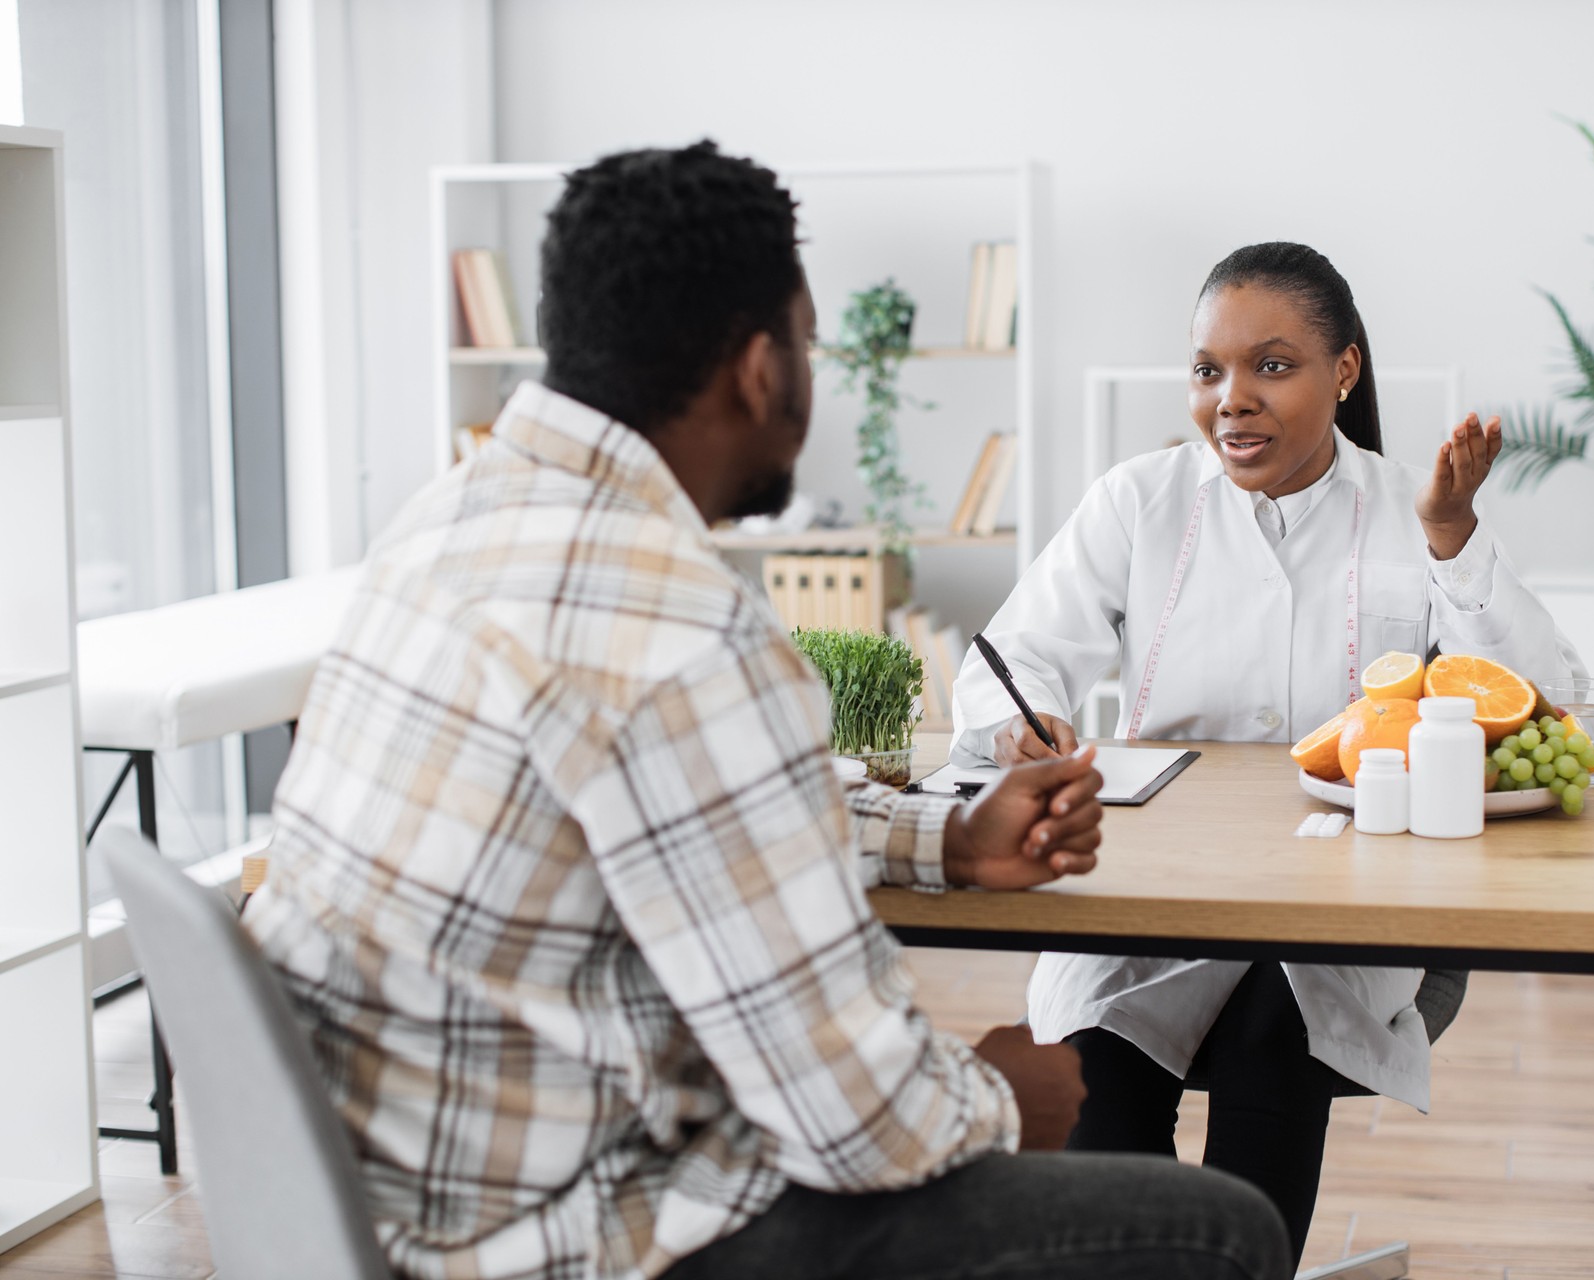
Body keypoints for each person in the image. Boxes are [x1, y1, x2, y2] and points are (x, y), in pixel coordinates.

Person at [242, 143, 1289, 1280]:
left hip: (385, 1203)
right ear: (758, 367)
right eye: (806, 340)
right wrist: (1011, 1093)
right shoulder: (681, 630)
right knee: (1214, 1228)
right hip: (562, 1236)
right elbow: (861, 1125)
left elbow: (688, 818)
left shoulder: (445, 521)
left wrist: (943, 833)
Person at [950, 241, 1584, 1264]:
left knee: (1271, 1043)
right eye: (1209, 370)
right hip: (1153, 888)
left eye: (1272, 366)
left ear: (1344, 371)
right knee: (1105, 1077)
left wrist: (1455, 537)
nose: (1231, 399)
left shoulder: (1411, 510)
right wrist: (1019, 724)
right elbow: (1012, 658)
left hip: (1341, 901)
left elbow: (1544, 696)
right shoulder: (1140, 500)